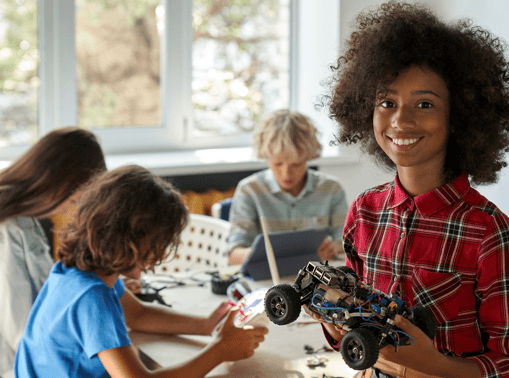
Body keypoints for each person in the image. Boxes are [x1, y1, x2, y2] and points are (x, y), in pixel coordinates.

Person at [306, 2, 509, 378]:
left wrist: (435, 366)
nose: (401, 119)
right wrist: (337, 323)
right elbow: (353, 314)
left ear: (459, 116)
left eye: (424, 103)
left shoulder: (491, 236)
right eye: (387, 102)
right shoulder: (365, 212)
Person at [13, 165, 267, 377]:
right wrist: (219, 351)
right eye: (157, 243)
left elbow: (138, 314)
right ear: (127, 237)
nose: (159, 254)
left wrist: (205, 325)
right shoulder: (92, 297)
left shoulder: (75, 271)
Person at [0, 127, 106, 376]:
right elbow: (21, 330)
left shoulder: (24, 218)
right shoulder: (9, 227)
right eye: (72, 201)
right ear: (57, 183)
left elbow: (44, 287)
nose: (67, 209)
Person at [227, 109, 349, 265]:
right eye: (278, 163)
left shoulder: (331, 189)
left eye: (296, 164)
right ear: (266, 156)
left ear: (308, 157)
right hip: (267, 281)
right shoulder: (249, 190)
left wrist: (333, 248)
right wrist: (274, 255)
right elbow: (233, 255)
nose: (286, 174)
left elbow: (348, 245)